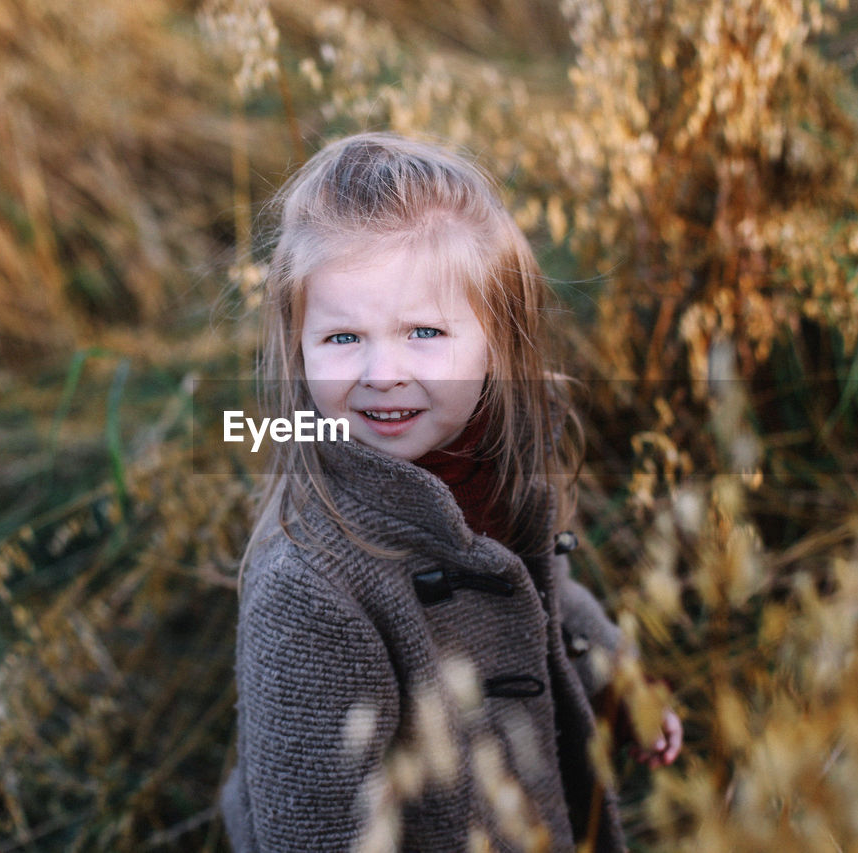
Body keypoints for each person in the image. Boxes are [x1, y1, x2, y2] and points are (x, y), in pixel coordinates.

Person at [219, 132, 681, 852]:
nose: (383, 371)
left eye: (424, 330)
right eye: (342, 338)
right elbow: (313, 830)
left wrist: (614, 678)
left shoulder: (488, 457)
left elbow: (541, 588)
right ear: (297, 344)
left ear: (498, 337)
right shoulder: (308, 592)